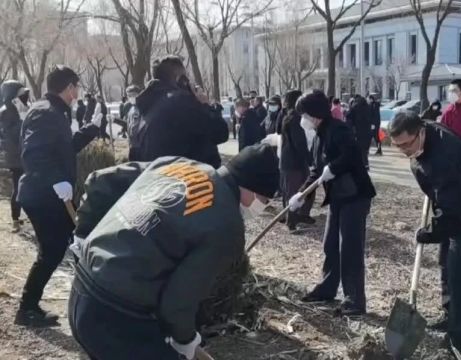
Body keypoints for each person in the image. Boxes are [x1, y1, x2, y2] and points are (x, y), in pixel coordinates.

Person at [68, 144, 280, 359]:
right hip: (117, 315)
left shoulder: (177, 164)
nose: (262, 207)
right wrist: (186, 340)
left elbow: (101, 179)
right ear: (252, 189)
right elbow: (178, 302)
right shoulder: (227, 227)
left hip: (81, 288)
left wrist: (84, 232)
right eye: (264, 200)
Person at [388, 112, 461, 356]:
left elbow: (453, 214)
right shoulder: (424, 136)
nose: (403, 150)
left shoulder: (442, 158)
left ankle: (457, 338)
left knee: (459, 274)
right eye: (397, 145)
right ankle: (449, 314)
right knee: (445, 263)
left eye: (407, 144)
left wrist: (428, 233)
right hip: (451, 203)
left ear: (420, 132)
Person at [14, 65, 102, 327]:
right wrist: (56, 181)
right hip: (43, 194)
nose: (78, 92)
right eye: (76, 87)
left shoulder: (54, 111)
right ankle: (26, 309)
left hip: (50, 192)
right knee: (52, 251)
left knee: (71, 242)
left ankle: (88, 303)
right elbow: (33, 153)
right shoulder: (46, 112)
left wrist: (91, 130)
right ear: (69, 88)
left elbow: (65, 149)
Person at [288, 90, 376, 316]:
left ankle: (354, 300)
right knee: (330, 245)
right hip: (338, 197)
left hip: (355, 196)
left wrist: (333, 168)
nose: (302, 119)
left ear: (315, 114)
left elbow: (353, 155)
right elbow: (317, 171)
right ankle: (327, 289)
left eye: (304, 114)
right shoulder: (319, 134)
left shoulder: (339, 130)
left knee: (350, 248)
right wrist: (300, 195)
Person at [138, 55, 229, 168]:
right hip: (190, 178)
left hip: (160, 178)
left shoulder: (147, 105)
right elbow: (221, 133)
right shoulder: (181, 102)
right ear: (180, 79)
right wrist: (205, 105)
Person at [280, 90, 315, 231]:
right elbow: (299, 142)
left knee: (304, 190)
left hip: (294, 160)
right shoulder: (294, 118)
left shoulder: (291, 116)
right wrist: (309, 159)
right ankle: (291, 221)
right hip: (293, 162)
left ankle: (300, 215)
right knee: (293, 192)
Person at [0, 81, 29, 232]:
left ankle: (25, 215)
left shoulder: (19, 108)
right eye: (20, 94)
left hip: (25, 153)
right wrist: (23, 119)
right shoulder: (6, 111)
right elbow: (12, 134)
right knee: (18, 187)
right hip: (16, 157)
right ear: (12, 96)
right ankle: (15, 219)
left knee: (28, 186)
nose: (24, 96)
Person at [346, 95, 373, 169]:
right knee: (364, 150)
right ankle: (365, 164)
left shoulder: (355, 107)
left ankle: (361, 165)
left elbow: (348, 117)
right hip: (367, 132)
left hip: (358, 132)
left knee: (359, 149)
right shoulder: (368, 107)